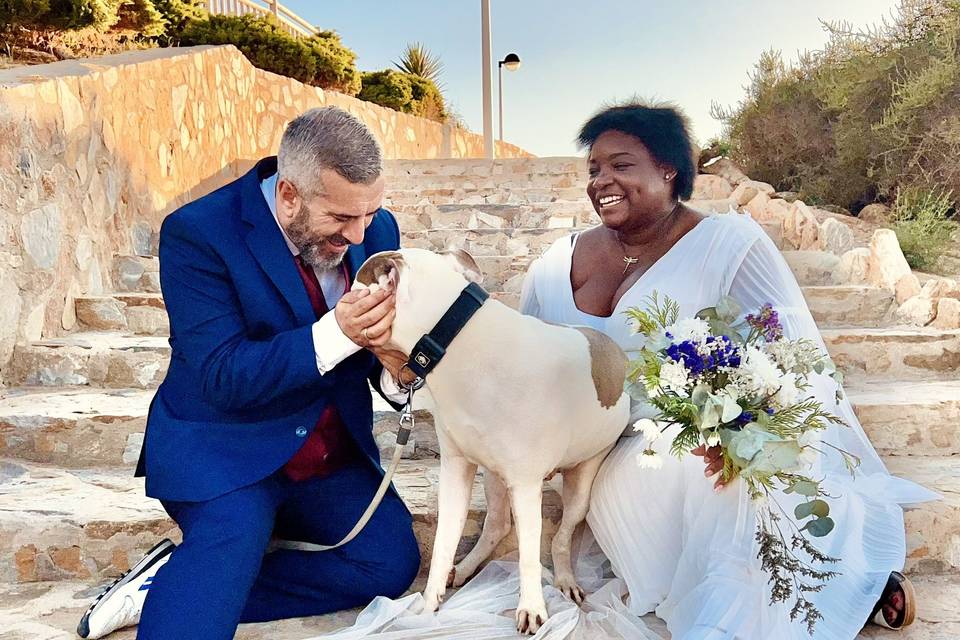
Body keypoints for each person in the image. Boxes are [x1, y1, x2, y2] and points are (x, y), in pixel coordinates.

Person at [516, 102, 939, 638]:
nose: (603, 181)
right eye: (594, 170)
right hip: (603, 463)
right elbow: (523, 366)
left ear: (669, 168)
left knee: (728, 472)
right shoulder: (554, 263)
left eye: (621, 165)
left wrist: (744, 428)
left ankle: (834, 581)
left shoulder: (728, 245)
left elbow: (791, 356)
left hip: (707, 438)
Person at [76, 106, 421, 640]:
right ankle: (194, 587)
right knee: (216, 576)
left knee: (389, 563)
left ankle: (161, 584)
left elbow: (384, 356)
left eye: (369, 214)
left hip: (327, 454)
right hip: (225, 448)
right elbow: (219, 373)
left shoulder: (376, 229)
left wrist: (398, 371)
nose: (358, 235)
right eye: (340, 220)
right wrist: (337, 334)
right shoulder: (197, 234)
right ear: (289, 195)